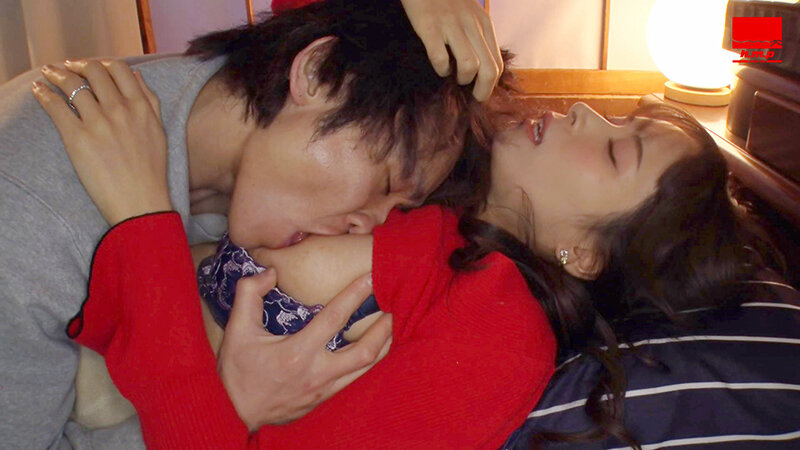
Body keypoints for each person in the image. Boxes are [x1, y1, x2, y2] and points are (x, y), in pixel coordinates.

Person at [37, 37, 787, 445]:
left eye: (619, 150)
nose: (587, 113)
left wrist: (141, 217)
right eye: (618, 116)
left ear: (585, 255)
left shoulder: (501, 339)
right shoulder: (436, 199)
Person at [0, 0, 505, 447]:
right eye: (388, 179)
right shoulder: (31, 220)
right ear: (317, 73)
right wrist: (228, 405)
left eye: (397, 209)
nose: (370, 225)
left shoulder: (234, 131)